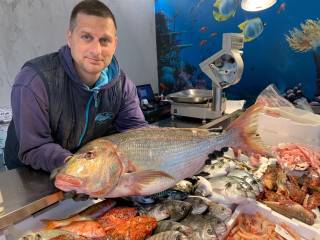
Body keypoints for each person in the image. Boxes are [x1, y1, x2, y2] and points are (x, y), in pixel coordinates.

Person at [4, 0, 147, 172]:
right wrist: (80, 168)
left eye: (104, 40)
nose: (96, 50)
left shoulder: (122, 85)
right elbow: (35, 147)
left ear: (115, 44)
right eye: (86, 37)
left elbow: (138, 134)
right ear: (70, 38)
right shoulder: (34, 81)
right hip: (28, 175)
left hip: (82, 169)